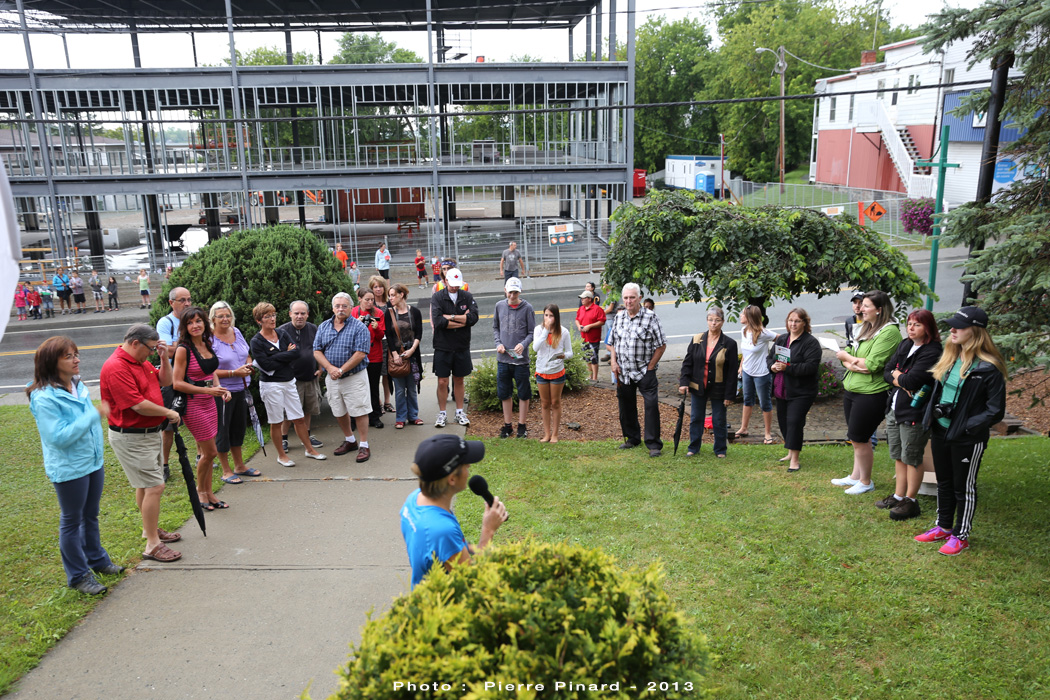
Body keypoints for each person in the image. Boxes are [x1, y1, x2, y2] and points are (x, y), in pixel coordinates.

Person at [28, 337, 124, 595]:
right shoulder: (44, 397)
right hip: (70, 469)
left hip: (92, 462)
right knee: (72, 521)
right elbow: (58, 438)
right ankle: (78, 576)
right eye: (69, 356)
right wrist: (93, 414)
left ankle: (97, 560)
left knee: (90, 515)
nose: (76, 359)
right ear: (52, 362)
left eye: (76, 354)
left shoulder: (76, 384)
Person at [915, 306, 1006, 556]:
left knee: (963, 486)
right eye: (952, 325)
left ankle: (960, 535)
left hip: (967, 438)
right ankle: (943, 527)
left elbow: (995, 411)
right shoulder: (950, 357)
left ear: (975, 332)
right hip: (941, 431)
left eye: (959, 326)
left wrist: (966, 425)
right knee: (943, 482)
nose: (952, 330)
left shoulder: (989, 368)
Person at [100, 324, 184, 563]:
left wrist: (163, 358)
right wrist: (168, 412)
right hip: (132, 436)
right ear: (135, 343)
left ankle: (150, 529)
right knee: (155, 487)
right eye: (149, 348)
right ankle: (152, 545)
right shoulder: (117, 366)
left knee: (145, 485)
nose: (150, 353)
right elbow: (136, 404)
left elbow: (164, 382)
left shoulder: (139, 361)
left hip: (148, 434)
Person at [400, 435, 508, 589]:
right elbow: (472, 583)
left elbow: (441, 548)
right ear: (452, 479)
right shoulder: (441, 530)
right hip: (442, 606)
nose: (469, 468)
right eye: (465, 465)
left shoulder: (414, 499)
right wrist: (488, 530)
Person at [833, 290, 901, 495]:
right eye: (861, 305)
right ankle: (855, 476)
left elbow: (871, 365)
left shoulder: (889, 333)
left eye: (866, 306)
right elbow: (852, 358)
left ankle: (865, 481)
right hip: (853, 389)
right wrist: (852, 362)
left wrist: (848, 359)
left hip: (872, 393)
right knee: (855, 437)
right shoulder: (866, 328)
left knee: (860, 437)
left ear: (879, 310)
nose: (860, 309)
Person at [877, 309, 942, 521]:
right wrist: (899, 376)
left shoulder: (932, 350)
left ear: (928, 327)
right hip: (896, 407)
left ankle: (911, 501)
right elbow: (887, 371)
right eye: (909, 323)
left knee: (912, 456)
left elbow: (912, 382)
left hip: (914, 410)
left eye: (917, 324)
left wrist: (899, 376)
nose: (911, 328)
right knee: (898, 454)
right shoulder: (905, 344)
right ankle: (898, 495)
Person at [250, 302, 327, 467]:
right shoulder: (257, 341)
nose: (272, 319)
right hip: (271, 385)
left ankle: (309, 450)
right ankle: (281, 455)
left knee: (299, 418)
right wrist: (286, 354)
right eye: (267, 316)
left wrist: (279, 356)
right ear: (259, 320)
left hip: (289, 381)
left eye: (273, 315)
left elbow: (296, 353)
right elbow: (266, 365)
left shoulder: (282, 333)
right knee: (276, 421)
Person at [172, 307, 232, 510]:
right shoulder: (183, 349)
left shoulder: (207, 343)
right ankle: (200, 492)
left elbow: (211, 370)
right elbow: (177, 383)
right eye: (190, 323)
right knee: (210, 452)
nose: (195, 326)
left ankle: (209, 493)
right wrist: (207, 392)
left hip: (210, 402)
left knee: (210, 452)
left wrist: (219, 388)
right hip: (194, 403)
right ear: (185, 327)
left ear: (205, 323)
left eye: (198, 321)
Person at [314, 292, 374, 462]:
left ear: (350, 307)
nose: (340, 309)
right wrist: (330, 368)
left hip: (354, 376)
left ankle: (364, 444)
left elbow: (360, 353)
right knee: (338, 410)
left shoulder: (359, 327)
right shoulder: (324, 326)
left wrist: (340, 370)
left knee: (360, 410)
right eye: (337, 306)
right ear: (333, 308)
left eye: (344, 306)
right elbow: (317, 350)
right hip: (332, 378)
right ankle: (350, 440)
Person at [608, 283, 667, 457]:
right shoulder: (619, 317)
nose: (628, 301)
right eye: (625, 298)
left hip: (644, 371)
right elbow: (612, 343)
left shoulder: (650, 318)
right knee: (626, 406)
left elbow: (661, 345)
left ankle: (653, 444)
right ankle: (632, 438)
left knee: (650, 406)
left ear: (639, 298)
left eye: (632, 297)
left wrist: (650, 367)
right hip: (624, 371)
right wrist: (613, 362)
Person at [768, 309, 823, 472]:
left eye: (797, 321)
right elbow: (770, 357)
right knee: (784, 422)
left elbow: (811, 367)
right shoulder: (782, 339)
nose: (793, 324)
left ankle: (795, 460)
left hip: (802, 391)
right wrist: (772, 366)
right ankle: (790, 452)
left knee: (794, 422)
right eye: (790, 320)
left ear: (805, 323)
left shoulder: (810, 343)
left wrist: (788, 367)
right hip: (782, 389)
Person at [679, 307, 739, 457]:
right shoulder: (697, 339)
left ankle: (720, 449)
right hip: (698, 384)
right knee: (696, 418)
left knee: (719, 419)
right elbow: (687, 363)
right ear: (707, 321)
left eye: (717, 320)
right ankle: (693, 447)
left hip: (719, 386)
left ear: (722, 322)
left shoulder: (729, 344)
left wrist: (729, 395)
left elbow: (732, 372)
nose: (713, 323)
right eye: (711, 320)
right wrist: (684, 382)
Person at [209, 301, 258, 484]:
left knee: (238, 428)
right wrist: (233, 373)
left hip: (241, 389)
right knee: (223, 430)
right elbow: (209, 370)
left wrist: (248, 364)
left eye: (227, 315)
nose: (225, 319)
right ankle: (226, 469)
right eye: (220, 316)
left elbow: (246, 353)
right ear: (213, 318)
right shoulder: (209, 339)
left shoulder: (236, 332)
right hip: (222, 392)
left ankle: (239, 466)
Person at [431, 267, 479, 427]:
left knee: (459, 379)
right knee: (442, 381)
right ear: (445, 281)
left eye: (457, 284)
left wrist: (451, 317)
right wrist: (461, 321)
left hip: (461, 345)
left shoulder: (467, 296)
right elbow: (438, 322)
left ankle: (459, 412)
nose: (454, 287)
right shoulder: (437, 297)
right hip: (442, 346)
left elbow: (473, 318)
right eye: (452, 284)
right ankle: (442, 413)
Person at [278, 301, 324, 453]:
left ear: (307, 314)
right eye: (296, 313)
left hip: (310, 376)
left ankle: (308, 436)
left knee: (308, 408)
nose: (299, 316)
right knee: (288, 412)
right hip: (290, 379)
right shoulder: (282, 331)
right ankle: (283, 438)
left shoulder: (313, 328)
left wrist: (320, 367)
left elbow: (319, 349)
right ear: (290, 313)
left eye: (303, 313)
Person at [158, 287, 193, 480]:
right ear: (172, 303)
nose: (187, 303)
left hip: (193, 378)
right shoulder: (166, 323)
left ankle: (200, 455)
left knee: (195, 418)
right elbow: (166, 351)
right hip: (172, 381)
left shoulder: (193, 320)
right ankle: (164, 465)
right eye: (182, 300)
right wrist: (184, 347)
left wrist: (177, 347)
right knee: (169, 426)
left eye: (189, 299)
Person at [492, 277, 534, 438]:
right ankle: (507, 425)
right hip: (503, 358)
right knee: (505, 393)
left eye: (515, 292)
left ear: (520, 292)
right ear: (505, 290)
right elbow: (495, 327)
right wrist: (498, 343)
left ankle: (522, 425)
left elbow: (531, 333)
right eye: (510, 292)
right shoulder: (499, 306)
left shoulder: (527, 308)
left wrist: (523, 344)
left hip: (520, 360)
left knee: (523, 393)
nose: (512, 295)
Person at [736, 304, 778, 444]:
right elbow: (746, 352)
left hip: (762, 374)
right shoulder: (743, 330)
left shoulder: (763, 333)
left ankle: (767, 433)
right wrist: (741, 366)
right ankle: (744, 428)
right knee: (747, 400)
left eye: (743, 314)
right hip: (747, 371)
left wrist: (774, 359)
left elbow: (781, 339)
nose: (740, 316)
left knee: (765, 402)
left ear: (750, 317)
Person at [385, 283, 424, 429]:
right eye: (389, 295)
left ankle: (413, 415)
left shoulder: (415, 312)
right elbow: (388, 335)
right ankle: (400, 417)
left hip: (412, 354)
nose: (391, 298)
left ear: (402, 295)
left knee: (412, 387)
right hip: (396, 355)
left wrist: (413, 349)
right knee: (400, 389)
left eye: (393, 295)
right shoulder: (388, 313)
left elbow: (419, 332)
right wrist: (395, 354)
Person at [533, 304, 573, 443]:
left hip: (556, 370)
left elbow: (570, 353)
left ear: (556, 317)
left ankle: (555, 434)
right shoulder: (538, 330)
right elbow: (535, 348)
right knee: (545, 403)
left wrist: (563, 356)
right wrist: (546, 331)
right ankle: (546, 434)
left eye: (551, 316)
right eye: (546, 315)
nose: (548, 318)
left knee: (555, 402)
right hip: (542, 371)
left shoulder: (564, 332)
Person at [350, 289, 388, 429]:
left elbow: (381, 336)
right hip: (357, 356)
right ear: (359, 299)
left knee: (373, 387)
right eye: (367, 299)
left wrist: (377, 328)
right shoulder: (353, 313)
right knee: (356, 388)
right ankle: (354, 419)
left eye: (372, 300)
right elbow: (348, 335)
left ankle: (374, 416)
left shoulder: (378, 313)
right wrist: (357, 323)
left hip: (374, 355)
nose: (370, 302)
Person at [368, 276, 395, 415]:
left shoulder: (389, 303)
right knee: (376, 373)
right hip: (376, 342)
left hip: (388, 342)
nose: (378, 289)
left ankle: (387, 401)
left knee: (387, 373)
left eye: (380, 286)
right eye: (375, 287)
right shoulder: (370, 306)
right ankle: (378, 403)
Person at [575, 290, 606, 382]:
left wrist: (590, 326)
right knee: (587, 358)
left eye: (583, 298)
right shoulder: (581, 309)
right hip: (584, 338)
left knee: (594, 358)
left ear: (589, 299)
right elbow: (577, 319)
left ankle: (595, 377)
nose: (581, 300)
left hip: (593, 338)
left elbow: (602, 321)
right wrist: (579, 326)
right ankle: (590, 375)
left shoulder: (597, 309)